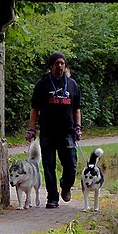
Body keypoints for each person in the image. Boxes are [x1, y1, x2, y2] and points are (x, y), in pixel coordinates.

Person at [27, 52, 82, 209]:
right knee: (49, 165)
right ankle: (52, 197)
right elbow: (34, 109)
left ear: (65, 66)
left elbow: (77, 109)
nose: (60, 66)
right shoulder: (42, 84)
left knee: (71, 164)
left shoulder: (72, 85)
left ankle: (66, 186)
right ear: (51, 66)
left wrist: (78, 127)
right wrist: (32, 129)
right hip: (48, 132)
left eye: (62, 63)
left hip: (67, 132)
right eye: (57, 63)